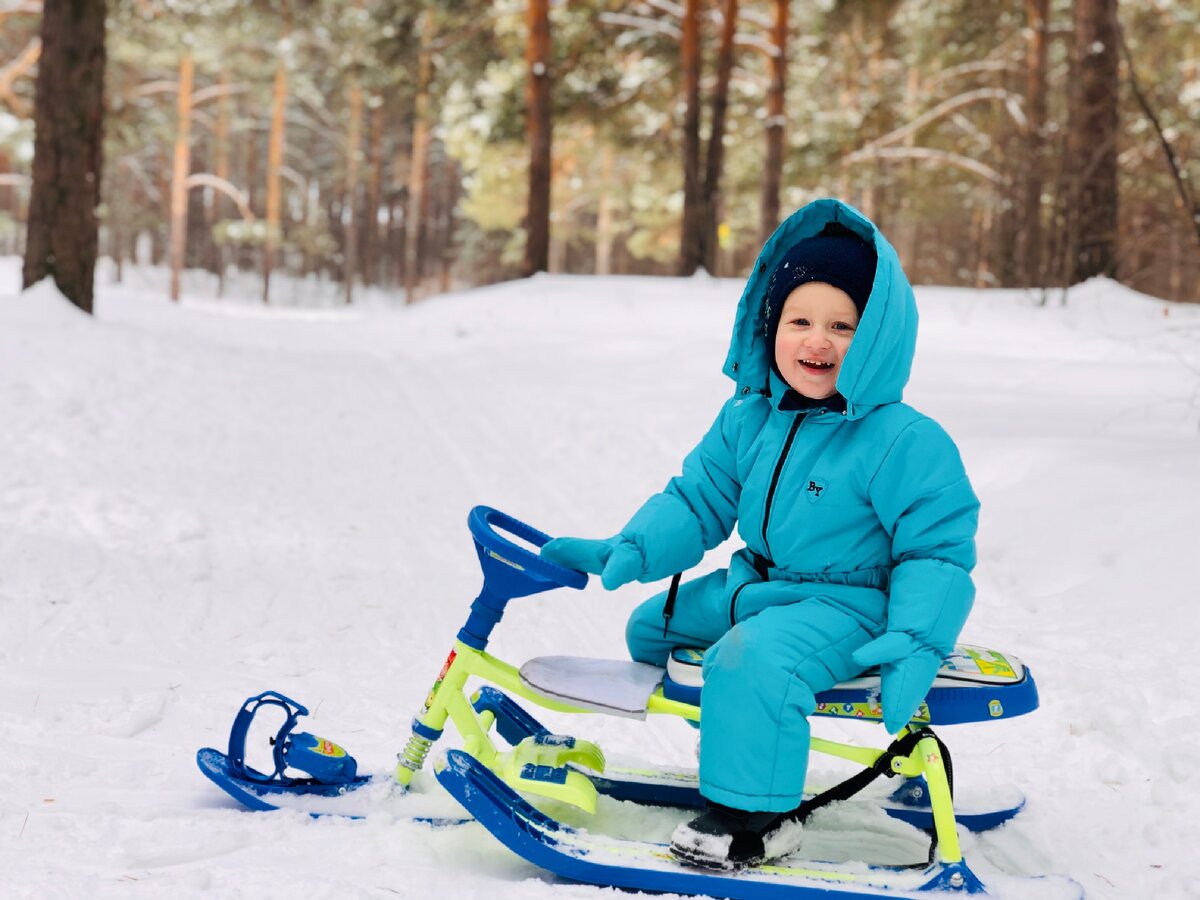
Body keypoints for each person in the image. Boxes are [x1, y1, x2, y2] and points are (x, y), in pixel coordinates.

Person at [540, 198, 979, 870]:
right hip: (759, 586)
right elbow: (698, 499)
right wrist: (631, 547)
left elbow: (936, 549)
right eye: (800, 320)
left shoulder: (903, 440)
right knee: (652, 631)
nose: (818, 341)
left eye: (843, 326)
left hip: (848, 606)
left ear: (877, 341)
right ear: (769, 326)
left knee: (753, 661)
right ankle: (745, 738)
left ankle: (755, 815)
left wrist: (918, 636)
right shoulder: (749, 417)